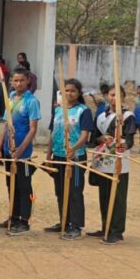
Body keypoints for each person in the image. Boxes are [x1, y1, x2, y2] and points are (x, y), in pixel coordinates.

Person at [44, 77, 94, 240]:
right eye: (66, 90)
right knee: (60, 191)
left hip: (75, 157)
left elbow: (85, 136)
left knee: (74, 191)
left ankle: (76, 226)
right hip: (58, 155)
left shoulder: (83, 111)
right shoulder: (58, 110)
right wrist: (48, 155)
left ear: (78, 93)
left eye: (72, 91)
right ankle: (64, 221)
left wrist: (73, 149)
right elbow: (52, 134)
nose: (69, 93)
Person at [0, 68, 41, 235]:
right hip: (9, 151)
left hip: (24, 153)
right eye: (15, 81)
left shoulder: (32, 101)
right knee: (11, 185)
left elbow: (33, 129)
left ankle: (24, 221)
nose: (18, 83)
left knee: (23, 186)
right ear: (11, 82)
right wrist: (0, 148)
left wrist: (21, 149)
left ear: (27, 80)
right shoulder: (11, 98)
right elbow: (6, 125)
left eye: (21, 80)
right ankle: (13, 217)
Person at [89, 85, 136, 244]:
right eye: (112, 94)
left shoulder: (128, 116)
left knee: (118, 197)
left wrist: (121, 146)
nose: (114, 98)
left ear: (123, 97)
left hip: (118, 161)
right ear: (107, 96)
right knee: (104, 195)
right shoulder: (101, 115)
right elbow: (94, 137)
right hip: (103, 159)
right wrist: (100, 139)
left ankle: (116, 231)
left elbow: (129, 140)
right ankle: (106, 226)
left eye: (118, 95)